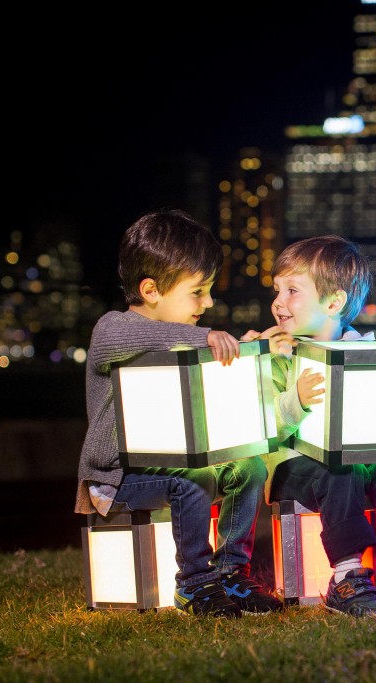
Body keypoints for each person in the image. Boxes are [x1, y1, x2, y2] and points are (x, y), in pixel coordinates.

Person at [74, 208, 282, 618]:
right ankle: (194, 585)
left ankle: (228, 574)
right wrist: (206, 337)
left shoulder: (181, 338)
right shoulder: (112, 330)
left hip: (172, 463)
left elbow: (204, 363)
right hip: (116, 478)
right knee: (193, 482)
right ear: (150, 289)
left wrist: (245, 348)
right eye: (197, 291)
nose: (208, 302)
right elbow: (147, 335)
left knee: (250, 469)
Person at [243, 234, 376, 618]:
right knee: (338, 466)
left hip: (360, 461)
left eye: (292, 290)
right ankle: (347, 576)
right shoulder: (274, 356)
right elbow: (259, 423)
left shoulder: (370, 355)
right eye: (277, 290)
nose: (278, 302)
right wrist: (296, 400)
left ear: (334, 302)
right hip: (296, 467)